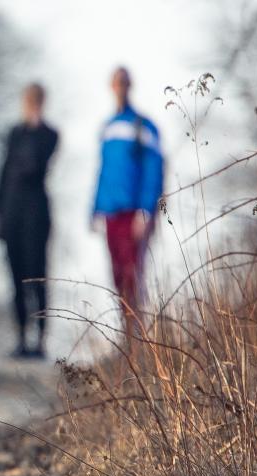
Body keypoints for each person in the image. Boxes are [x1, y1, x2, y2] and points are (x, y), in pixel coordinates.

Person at [92, 66, 164, 342]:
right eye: (115, 83)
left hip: (134, 212)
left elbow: (153, 169)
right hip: (111, 212)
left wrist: (146, 210)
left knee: (134, 272)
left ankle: (137, 335)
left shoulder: (144, 127)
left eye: (123, 83)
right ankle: (126, 334)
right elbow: (102, 171)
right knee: (116, 273)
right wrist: (95, 209)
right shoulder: (108, 127)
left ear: (129, 86)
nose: (119, 88)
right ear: (111, 87)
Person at [0, 82, 58, 359]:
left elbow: (34, 166)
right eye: (29, 101)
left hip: (36, 215)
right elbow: (5, 171)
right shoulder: (13, 134)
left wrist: (34, 126)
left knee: (37, 276)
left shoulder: (49, 135)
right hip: (12, 212)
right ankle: (20, 337)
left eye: (36, 101)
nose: (32, 105)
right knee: (15, 278)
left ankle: (40, 339)